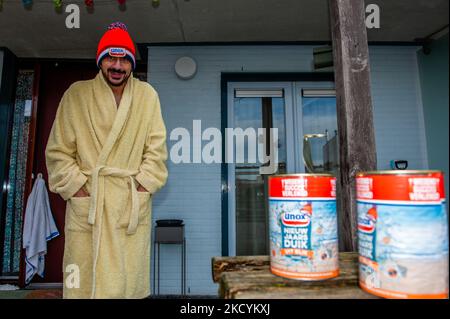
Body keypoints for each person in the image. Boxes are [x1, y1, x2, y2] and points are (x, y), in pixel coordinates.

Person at [45, 22, 168, 299]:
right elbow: (58, 152)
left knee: (126, 283)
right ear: (100, 62)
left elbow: (157, 151)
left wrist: (141, 189)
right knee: (81, 281)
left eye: (124, 59)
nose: (117, 66)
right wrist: (78, 190)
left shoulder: (147, 96)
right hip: (90, 207)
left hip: (128, 206)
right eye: (111, 58)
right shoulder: (76, 94)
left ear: (132, 63)